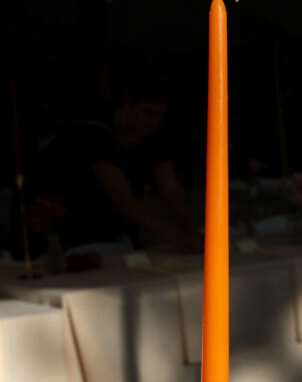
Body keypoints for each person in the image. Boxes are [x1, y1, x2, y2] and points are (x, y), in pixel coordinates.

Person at [16, 69, 203, 257]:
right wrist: (177, 237)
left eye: (161, 116)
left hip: (115, 235)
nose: (155, 122)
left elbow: (170, 188)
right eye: (149, 113)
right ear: (127, 103)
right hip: (71, 234)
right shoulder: (93, 131)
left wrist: (191, 231)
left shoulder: (151, 135)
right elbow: (121, 196)